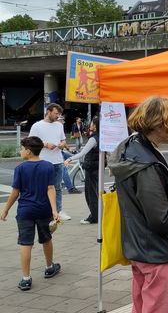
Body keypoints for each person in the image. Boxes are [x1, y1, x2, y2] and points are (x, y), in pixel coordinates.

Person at [108, 96, 168, 313]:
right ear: (162, 123)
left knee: (141, 306)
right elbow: (161, 220)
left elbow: (147, 206)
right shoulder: (146, 163)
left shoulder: (131, 147)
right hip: (157, 252)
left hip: (139, 246)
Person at [0, 136, 61, 291]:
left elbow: (15, 193)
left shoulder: (20, 168)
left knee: (25, 243)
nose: (21, 151)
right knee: (46, 239)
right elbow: (51, 189)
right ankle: (49, 267)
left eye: (21, 148)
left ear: (28, 151)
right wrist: (54, 210)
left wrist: (5, 209)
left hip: (25, 211)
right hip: (44, 210)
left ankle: (26, 279)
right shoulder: (48, 166)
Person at [29, 103, 72, 221]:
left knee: (57, 187)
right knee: (41, 187)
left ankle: (58, 210)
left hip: (58, 161)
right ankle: (42, 210)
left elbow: (63, 140)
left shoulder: (59, 126)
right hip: (42, 161)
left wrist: (62, 144)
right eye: (56, 113)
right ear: (48, 111)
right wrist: (45, 144)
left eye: (59, 114)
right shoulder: (37, 126)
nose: (58, 116)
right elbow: (30, 142)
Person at [65, 117, 101, 224]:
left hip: (91, 168)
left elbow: (82, 153)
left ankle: (94, 217)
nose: (90, 124)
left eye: (91, 123)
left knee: (91, 194)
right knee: (95, 192)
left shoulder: (94, 139)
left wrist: (70, 158)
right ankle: (97, 214)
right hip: (97, 167)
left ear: (94, 125)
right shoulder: (102, 137)